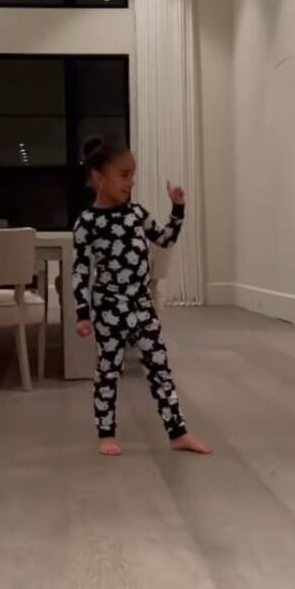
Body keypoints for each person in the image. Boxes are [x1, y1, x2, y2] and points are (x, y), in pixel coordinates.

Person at [73, 136, 210, 458]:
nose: (130, 181)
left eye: (132, 174)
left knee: (159, 368)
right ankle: (106, 434)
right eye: (123, 175)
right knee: (108, 371)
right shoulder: (87, 223)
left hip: (142, 306)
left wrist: (178, 208)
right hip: (109, 308)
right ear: (99, 178)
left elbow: (165, 238)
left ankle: (177, 432)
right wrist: (83, 313)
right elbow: (80, 271)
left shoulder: (136, 213)